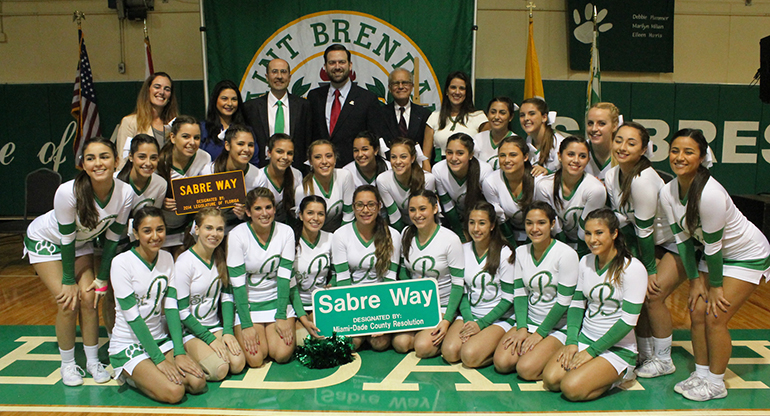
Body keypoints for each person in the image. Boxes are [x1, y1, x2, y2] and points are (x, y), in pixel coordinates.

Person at [659, 129, 770, 401]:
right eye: (675, 150)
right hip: (715, 256)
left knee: (715, 316)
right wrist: (695, 283)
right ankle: (701, 373)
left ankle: (717, 383)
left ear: (701, 157)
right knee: (696, 311)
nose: (680, 157)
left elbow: (714, 246)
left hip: (746, 255)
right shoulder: (667, 191)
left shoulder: (710, 193)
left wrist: (716, 288)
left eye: (689, 152)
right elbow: (683, 242)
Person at [24, 136, 133, 386]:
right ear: (83, 164)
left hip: (80, 242)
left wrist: (102, 278)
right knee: (68, 301)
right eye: (90, 158)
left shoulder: (125, 192)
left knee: (90, 299)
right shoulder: (67, 191)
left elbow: (113, 239)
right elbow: (65, 239)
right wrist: (68, 280)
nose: (98, 163)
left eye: (104, 157)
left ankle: (93, 361)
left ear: (116, 161)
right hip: (48, 241)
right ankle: (68, 364)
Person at [541, 208, 646, 401]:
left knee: (571, 388)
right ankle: (593, 372)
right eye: (588, 234)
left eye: (599, 233)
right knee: (551, 379)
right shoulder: (585, 261)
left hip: (618, 349)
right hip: (585, 339)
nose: (592, 240)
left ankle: (624, 374)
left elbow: (628, 322)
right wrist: (572, 341)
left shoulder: (633, 269)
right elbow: (577, 304)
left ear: (614, 234)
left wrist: (592, 352)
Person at [108, 206, 207, 402]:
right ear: (135, 233)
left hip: (159, 339)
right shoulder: (121, 263)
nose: (155, 236)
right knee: (175, 392)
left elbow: (171, 308)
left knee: (197, 383)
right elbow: (133, 318)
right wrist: (159, 361)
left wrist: (178, 352)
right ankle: (129, 375)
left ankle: (150, 374)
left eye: (160, 229)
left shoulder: (167, 258)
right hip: (129, 344)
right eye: (147, 231)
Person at [494, 202, 578, 379]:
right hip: (530, 322)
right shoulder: (521, 252)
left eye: (541, 223)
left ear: (552, 224)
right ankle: (538, 355)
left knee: (525, 370)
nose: (534, 228)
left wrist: (540, 333)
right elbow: (520, 294)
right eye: (529, 223)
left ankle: (552, 356)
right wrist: (522, 327)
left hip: (557, 326)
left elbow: (564, 302)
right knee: (502, 363)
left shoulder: (566, 254)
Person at [172, 208, 245, 381]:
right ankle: (184, 358)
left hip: (214, 327)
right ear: (196, 229)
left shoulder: (220, 257)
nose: (215, 234)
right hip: (190, 331)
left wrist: (227, 331)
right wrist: (210, 340)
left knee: (238, 363)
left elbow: (227, 297)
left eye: (219, 229)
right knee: (220, 369)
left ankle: (206, 355)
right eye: (208, 228)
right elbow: (181, 312)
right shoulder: (184, 262)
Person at [227, 187, 296, 368]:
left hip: (276, 301)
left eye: (268, 207)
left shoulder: (286, 232)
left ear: (274, 209)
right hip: (249, 305)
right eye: (258, 209)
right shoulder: (236, 235)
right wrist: (247, 324)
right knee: (256, 359)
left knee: (282, 355)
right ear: (248, 212)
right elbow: (238, 285)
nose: (264, 213)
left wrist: (281, 315)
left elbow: (284, 277)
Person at [441, 201, 515, 368]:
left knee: (469, 356)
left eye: (482, 223)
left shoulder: (504, 253)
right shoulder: (463, 249)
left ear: (492, 226)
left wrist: (481, 324)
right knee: (450, 352)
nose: (476, 228)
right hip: (471, 314)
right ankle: (481, 344)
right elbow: (463, 291)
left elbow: (508, 298)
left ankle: (493, 347)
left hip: (497, 318)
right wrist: (469, 320)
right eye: (472, 222)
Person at [392, 191, 464, 357]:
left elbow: (458, 285)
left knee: (422, 348)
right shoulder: (406, 234)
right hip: (416, 305)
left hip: (443, 306)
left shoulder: (450, 239)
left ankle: (451, 327)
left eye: (422, 209)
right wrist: (412, 285)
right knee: (401, 343)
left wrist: (446, 319)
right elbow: (403, 271)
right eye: (412, 210)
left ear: (435, 208)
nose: (417, 215)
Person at [332, 185, 401, 351]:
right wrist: (353, 317)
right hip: (352, 303)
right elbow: (342, 281)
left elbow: (390, 281)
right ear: (353, 207)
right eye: (360, 205)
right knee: (351, 343)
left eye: (371, 205)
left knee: (380, 344)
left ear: (379, 207)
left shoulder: (393, 235)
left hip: (380, 304)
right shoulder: (340, 235)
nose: (365, 210)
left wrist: (381, 319)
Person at [307, 44, 385, 167]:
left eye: (341, 62)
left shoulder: (367, 99)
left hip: (355, 172)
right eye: (332, 63)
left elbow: (374, 139)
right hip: (320, 170)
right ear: (325, 67)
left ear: (350, 65)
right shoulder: (314, 97)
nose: (337, 67)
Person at [534, 136, 606, 256]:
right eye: (571, 154)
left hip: (589, 246)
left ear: (588, 159)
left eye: (582, 156)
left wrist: (580, 257)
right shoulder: (544, 186)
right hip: (556, 243)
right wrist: (564, 253)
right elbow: (552, 225)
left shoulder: (595, 189)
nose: (576, 160)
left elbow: (587, 228)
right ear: (559, 156)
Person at [242, 59, 311, 169]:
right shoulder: (251, 107)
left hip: (296, 171)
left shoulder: (304, 106)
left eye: (283, 72)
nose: (279, 76)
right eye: (274, 71)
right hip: (261, 171)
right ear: (267, 77)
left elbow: (308, 142)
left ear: (289, 77)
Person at [156, 116, 212, 249]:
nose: (192, 142)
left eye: (196, 137)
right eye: (186, 136)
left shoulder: (204, 157)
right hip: (162, 226)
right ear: (173, 137)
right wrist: (161, 202)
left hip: (189, 225)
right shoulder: (160, 162)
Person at [200, 124, 266, 229]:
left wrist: (246, 214)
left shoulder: (258, 176)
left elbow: (261, 212)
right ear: (227, 145)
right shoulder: (208, 171)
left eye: (250, 145)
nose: (246, 149)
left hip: (240, 229)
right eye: (240, 144)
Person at [423, 71, 489, 169]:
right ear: (446, 91)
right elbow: (425, 158)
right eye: (453, 87)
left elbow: (486, 154)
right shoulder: (434, 117)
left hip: (470, 173)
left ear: (467, 92)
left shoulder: (479, 117)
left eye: (462, 88)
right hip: (440, 172)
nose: (457, 92)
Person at [433, 132, 493, 238]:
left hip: (480, 220)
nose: (454, 158)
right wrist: (460, 234)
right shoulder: (438, 170)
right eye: (449, 152)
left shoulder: (484, 170)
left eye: (460, 153)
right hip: (454, 221)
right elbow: (447, 205)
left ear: (471, 155)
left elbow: (489, 207)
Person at [116, 72, 179, 168]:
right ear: (148, 90)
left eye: (167, 89)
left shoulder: (176, 124)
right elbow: (123, 160)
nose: (162, 92)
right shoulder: (130, 122)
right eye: (157, 87)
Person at [482, 135, 536, 247]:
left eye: (513, 155)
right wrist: (513, 247)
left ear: (525, 157)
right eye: (502, 155)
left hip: (539, 235)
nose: (507, 160)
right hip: (509, 234)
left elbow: (545, 217)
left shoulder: (538, 181)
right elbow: (500, 218)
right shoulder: (490, 182)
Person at [291, 195, 329, 343]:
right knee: (305, 343)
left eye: (320, 214)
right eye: (310, 213)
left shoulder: (331, 239)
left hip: (322, 304)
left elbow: (339, 274)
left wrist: (332, 283)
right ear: (300, 215)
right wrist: (302, 315)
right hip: (296, 307)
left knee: (325, 339)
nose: (315, 218)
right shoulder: (290, 241)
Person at [377, 137, 436, 232]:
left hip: (426, 226)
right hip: (400, 228)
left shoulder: (428, 179)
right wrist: (405, 238)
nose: (398, 162)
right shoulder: (383, 180)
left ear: (412, 158)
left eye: (403, 157)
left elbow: (429, 215)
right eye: (393, 157)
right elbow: (394, 216)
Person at [295, 140, 355, 232]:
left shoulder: (345, 176)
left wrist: (339, 238)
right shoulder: (302, 190)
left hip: (342, 234)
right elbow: (303, 224)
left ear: (335, 158)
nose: (324, 161)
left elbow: (349, 215)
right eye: (318, 157)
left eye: (328, 156)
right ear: (310, 161)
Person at [200, 80, 257, 165]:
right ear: (215, 100)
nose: (230, 103)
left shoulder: (247, 130)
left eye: (234, 99)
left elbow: (254, 161)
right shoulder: (203, 129)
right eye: (224, 99)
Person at [380, 68, 431, 146]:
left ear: (412, 86)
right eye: (396, 83)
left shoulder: (424, 114)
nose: (400, 87)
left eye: (405, 83)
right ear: (389, 88)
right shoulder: (380, 114)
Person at [262, 134, 303, 224]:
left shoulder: (297, 175)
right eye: (279, 152)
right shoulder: (258, 177)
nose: (285, 157)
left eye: (289, 153)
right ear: (269, 153)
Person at [519, 97, 565, 176]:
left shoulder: (559, 142)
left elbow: (569, 176)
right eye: (522, 115)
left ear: (544, 117)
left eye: (532, 114)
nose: (526, 118)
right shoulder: (528, 140)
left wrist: (548, 172)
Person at [473, 97, 517, 170]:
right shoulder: (478, 139)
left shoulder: (516, 142)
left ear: (511, 117)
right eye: (493, 112)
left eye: (502, 113)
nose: (496, 117)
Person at [585, 102, 620, 182]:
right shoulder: (579, 150)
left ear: (614, 126)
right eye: (590, 123)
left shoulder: (623, 154)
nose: (594, 129)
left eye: (601, 124)